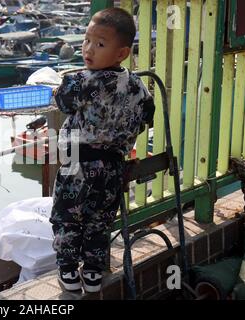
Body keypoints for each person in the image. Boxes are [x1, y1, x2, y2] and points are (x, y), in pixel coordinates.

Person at [50, 7, 155, 293]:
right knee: (100, 220)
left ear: (121, 53)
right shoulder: (137, 86)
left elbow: (63, 102)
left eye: (99, 44)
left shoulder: (81, 81)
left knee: (68, 216)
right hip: (112, 168)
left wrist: (57, 90)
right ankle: (93, 273)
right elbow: (147, 114)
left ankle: (69, 270)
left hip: (76, 166)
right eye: (86, 41)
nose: (88, 49)